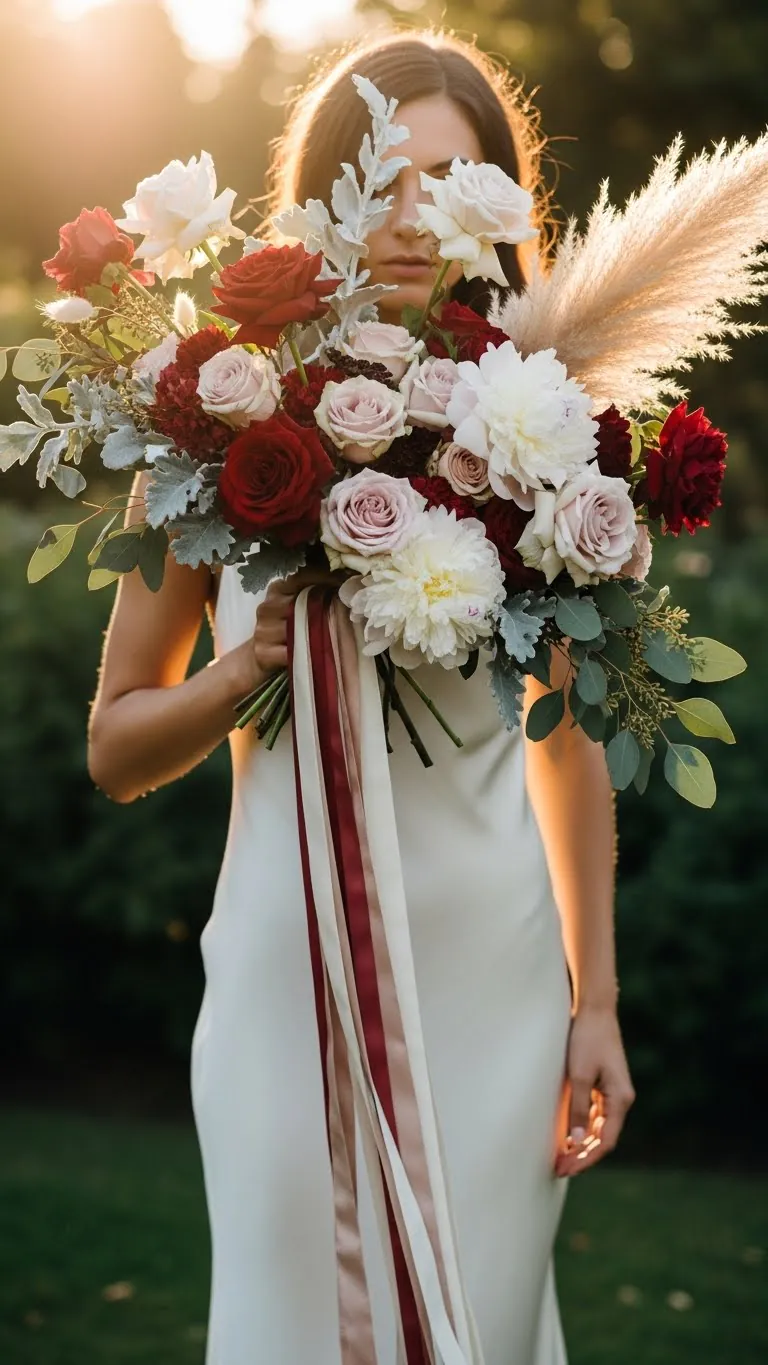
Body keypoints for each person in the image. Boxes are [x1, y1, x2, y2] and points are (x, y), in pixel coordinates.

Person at [88, 28, 636, 1365]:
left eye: (448, 183)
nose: (410, 220)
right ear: (320, 193)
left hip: (497, 982)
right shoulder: (208, 417)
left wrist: (597, 1005)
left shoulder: (545, 426)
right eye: (380, 180)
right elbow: (113, 747)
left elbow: (565, 751)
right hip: (291, 969)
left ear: (501, 206)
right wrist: (240, 669)